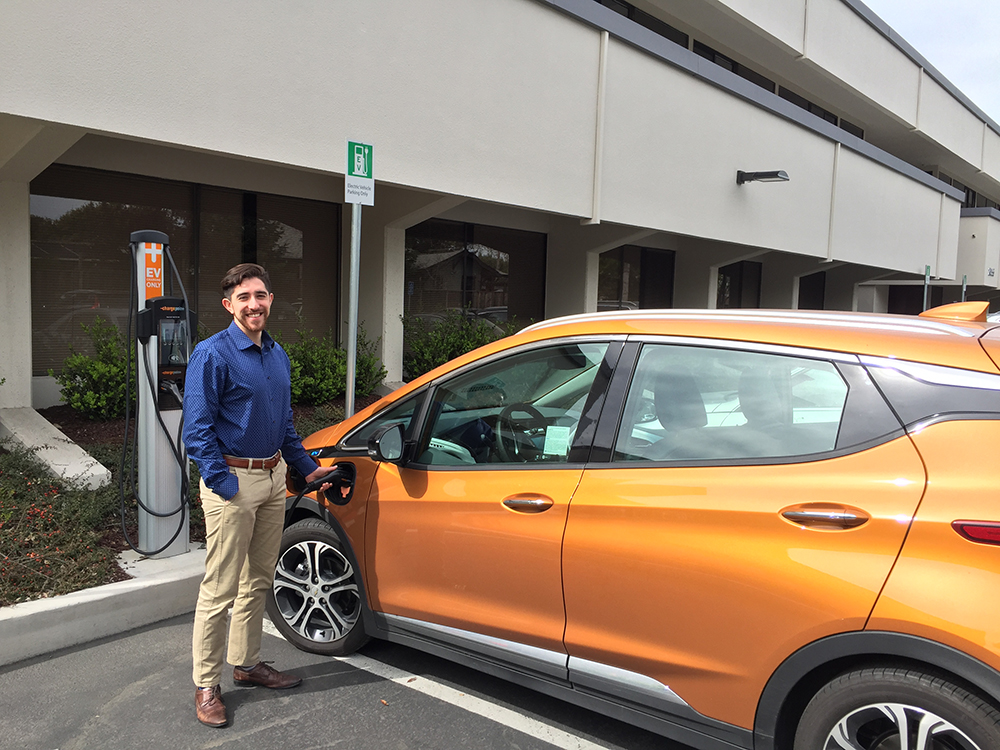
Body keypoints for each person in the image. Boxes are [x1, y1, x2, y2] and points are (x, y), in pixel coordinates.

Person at [182, 263, 336, 728]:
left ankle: (246, 665)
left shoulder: (276, 355)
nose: (255, 304)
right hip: (234, 482)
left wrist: (307, 469)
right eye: (245, 297)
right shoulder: (212, 355)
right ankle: (206, 685)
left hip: (273, 479)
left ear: (271, 300)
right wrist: (222, 482)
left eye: (261, 296)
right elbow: (197, 429)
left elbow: (285, 424)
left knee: (258, 581)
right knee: (220, 588)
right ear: (229, 305)